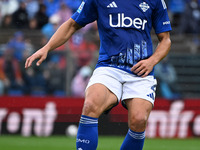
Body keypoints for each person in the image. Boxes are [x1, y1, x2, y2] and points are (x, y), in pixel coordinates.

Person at [25, 0, 172, 149]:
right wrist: (47, 47)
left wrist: (152, 61)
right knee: (90, 105)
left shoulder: (155, 1)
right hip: (109, 67)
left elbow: (165, 39)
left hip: (140, 71)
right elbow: (71, 25)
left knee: (139, 120)